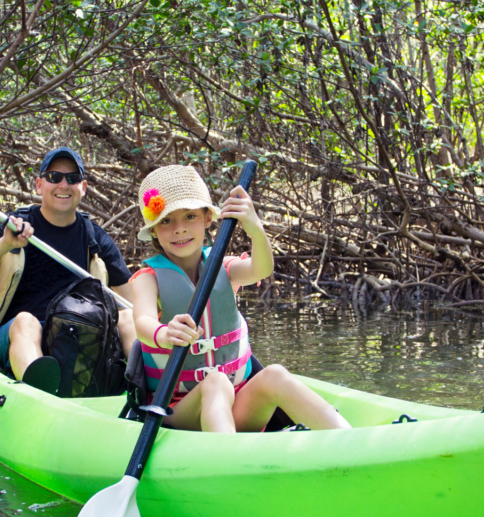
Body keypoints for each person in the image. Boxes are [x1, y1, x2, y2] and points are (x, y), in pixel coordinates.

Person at [130, 165, 351, 433]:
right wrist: (165, 334)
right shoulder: (147, 278)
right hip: (178, 411)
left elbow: (261, 269)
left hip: (236, 404)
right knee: (215, 382)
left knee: (275, 375)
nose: (179, 229)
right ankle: (228, 465)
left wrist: (255, 229)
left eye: (189, 217)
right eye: (166, 221)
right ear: (153, 230)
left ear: (206, 219)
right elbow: (142, 322)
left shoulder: (223, 266)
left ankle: (349, 439)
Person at [0, 147, 135, 385]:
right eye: (53, 177)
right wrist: (4, 244)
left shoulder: (96, 238)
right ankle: (38, 388)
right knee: (25, 322)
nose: (63, 184)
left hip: (78, 337)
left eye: (72, 178)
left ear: (83, 187)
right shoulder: (12, 227)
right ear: (39, 185)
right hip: (16, 335)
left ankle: (149, 389)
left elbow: (131, 303)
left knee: (129, 318)